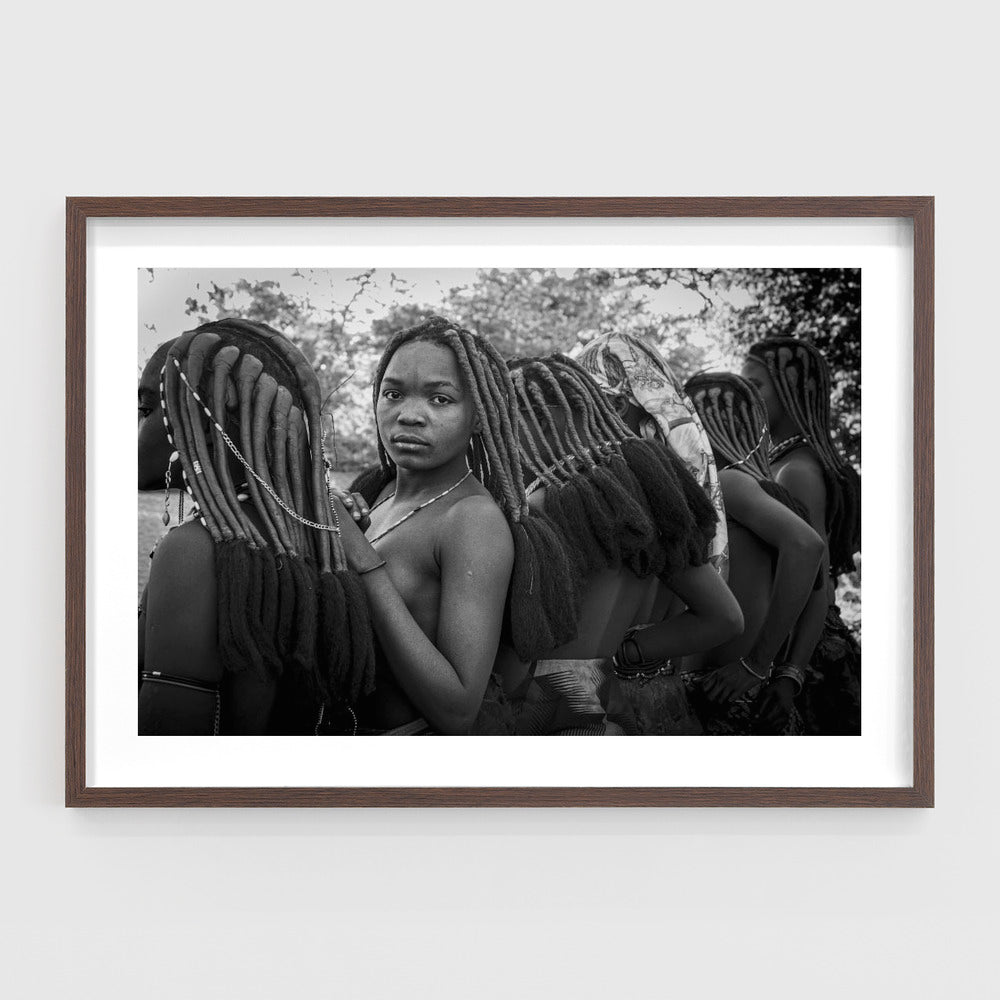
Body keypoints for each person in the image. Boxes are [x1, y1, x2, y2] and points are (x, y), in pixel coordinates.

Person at [339, 317, 577, 734]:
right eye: (392, 393)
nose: (409, 415)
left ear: (480, 416)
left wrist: (361, 557)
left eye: (440, 400)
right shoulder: (380, 498)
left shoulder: (470, 519)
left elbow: (458, 709)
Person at [138, 318, 375, 735]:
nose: (138, 427)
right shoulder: (323, 539)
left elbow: (170, 740)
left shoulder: (195, 550)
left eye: (145, 408)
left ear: (197, 415)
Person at [494, 354, 743, 735]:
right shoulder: (646, 487)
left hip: (547, 713)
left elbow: (514, 664)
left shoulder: (542, 508)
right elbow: (724, 619)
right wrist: (625, 654)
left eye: (502, 426)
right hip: (619, 709)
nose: (497, 443)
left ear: (542, 420)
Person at [684, 372, 825, 733]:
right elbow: (817, 597)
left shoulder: (729, 484)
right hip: (750, 697)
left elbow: (807, 546)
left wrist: (754, 665)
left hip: (718, 696)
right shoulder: (774, 498)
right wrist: (786, 676)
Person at [742, 337, 862, 734]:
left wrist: (788, 673)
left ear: (791, 389)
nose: (746, 397)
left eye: (755, 385)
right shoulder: (794, 461)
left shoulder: (796, 471)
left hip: (805, 656)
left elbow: (818, 584)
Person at [574, 331, 729, 579]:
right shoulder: (663, 486)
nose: (571, 423)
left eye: (577, 407)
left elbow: (724, 616)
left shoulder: (646, 497)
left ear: (617, 407)